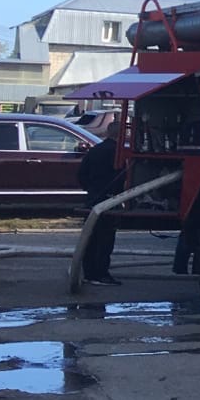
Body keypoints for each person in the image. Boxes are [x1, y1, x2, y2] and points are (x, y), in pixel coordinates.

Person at [79, 113, 126, 287]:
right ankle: (101, 274)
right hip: (109, 201)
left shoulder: (95, 150)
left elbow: (81, 174)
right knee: (105, 240)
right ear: (120, 135)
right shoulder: (117, 154)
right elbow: (123, 178)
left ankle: (88, 272)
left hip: (92, 198)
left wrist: (91, 189)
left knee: (90, 238)